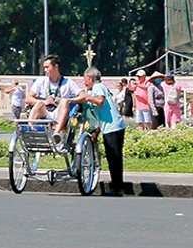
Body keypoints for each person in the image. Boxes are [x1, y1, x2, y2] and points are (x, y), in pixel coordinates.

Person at [80, 67, 129, 196]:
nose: (84, 82)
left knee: (114, 158)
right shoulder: (97, 89)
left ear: (91, 78)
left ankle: (118, 188)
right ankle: (117, 187)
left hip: (113, 128)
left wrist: (87, 97)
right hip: (111, 128)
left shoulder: (97, 87)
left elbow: (100, 101)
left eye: (85, 79)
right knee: (113, 158)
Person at [27, 55, 82, 130]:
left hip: (60, 111)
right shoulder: (41, 81)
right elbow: (28, 98)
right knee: (39, 104)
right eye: (44, 68)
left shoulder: (68, 82)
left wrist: (69, 100)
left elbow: (83, 96)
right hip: (45, 111)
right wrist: (44, 102)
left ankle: (57, 133)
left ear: (56, 67)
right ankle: (30, 129)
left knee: (64, 101)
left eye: (47, 67)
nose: (45, 70)